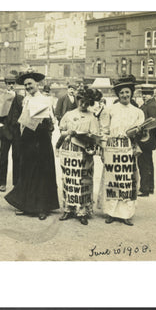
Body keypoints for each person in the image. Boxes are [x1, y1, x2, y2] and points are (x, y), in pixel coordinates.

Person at [4, 68, 59, 220]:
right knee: (27, 171)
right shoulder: (25, 100)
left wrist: (46, 122)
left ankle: (42, 207)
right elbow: (22, 120)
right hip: (28, 138)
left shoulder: (46, 99)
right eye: (26, 85)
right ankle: (26, 205)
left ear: (37, 84)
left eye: (30, 84)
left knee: (42, 173)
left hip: (41, 139)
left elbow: (52, 121)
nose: (28, 87)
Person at [98, 75, 145, 226]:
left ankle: (126, 213)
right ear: (118, 95)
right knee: (112, 181)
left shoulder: (138, 112)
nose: (124, 95)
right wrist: (103, 150)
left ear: (131, 93)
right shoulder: (110, 110)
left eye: (127, 92)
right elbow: (104, 131)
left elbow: (143, 133)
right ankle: (111, 212)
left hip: (128, 149)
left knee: (127, 181)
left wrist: (138, 134)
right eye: (121, 93)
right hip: (112, 148)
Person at [58, 86, 102, 225]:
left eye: (86, 103)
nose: (83, 105)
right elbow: (62, 130)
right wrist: (68, 133)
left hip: (84, 151)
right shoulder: (69, 114)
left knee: (83, 180)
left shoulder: (92, 117)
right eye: (81, 101)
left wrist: (88, 137)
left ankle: (82, 211)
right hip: (70, 149)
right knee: (69, 179)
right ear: (77, 100)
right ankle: (68, 208)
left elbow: (95, 136)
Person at [0, 72, 24, 192]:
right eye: (8, 83)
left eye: (12, 83)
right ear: (5, 84)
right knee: (3, 158)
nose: (11, 85)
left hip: (17, 133)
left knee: (17, 157)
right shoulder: (1, 98)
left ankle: (16, 182)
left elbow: (24, 115)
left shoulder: (20, 98)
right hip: (5, 132)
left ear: (15, 84)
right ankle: (2, 183)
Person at [137, 84, 156, 197]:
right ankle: (149, 187)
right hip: (148, 140)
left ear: (152, 94)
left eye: (147, 94)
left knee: (144, 164)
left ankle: (144, 188)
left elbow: (154, 124)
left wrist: (143, 130)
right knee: (148, 163)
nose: (144, 96)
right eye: (143, 94)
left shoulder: (151, 106)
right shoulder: (150, 104)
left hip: (146, 139)